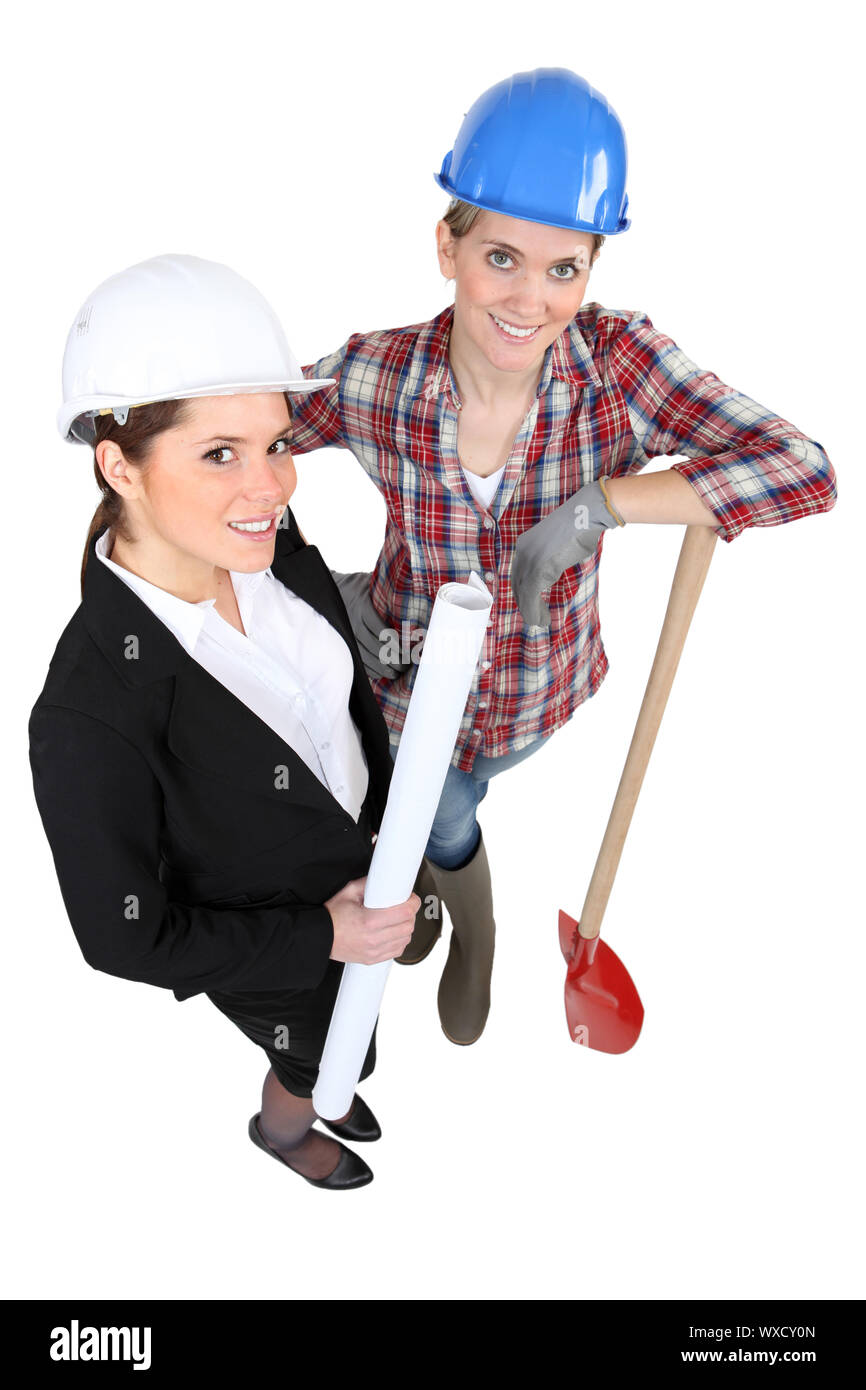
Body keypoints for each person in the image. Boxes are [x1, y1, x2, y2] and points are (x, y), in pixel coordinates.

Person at [288, 68, 838, 1046]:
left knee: (445, 799)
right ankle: (414, 880)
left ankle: (474, 929)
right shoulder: (379, 376)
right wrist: (139, 425)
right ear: (447, 247)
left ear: (589, 269)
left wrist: (601, 506)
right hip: (398, 674)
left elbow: (799, 470)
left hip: (528, 694)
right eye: (500, 256)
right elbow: (239, 431)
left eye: (562, 269)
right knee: (383, 783)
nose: (529, 300)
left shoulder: (618, 368)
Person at [28, 254, 420, 1191]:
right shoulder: (90, 711)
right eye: (219, 454)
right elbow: (122, 937)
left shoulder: (261, 541)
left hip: (365, 868)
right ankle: (286, 1125)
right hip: (285, 946)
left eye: (277, 444)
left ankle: (321, 1074)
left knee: (353, 1032)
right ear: (117, 464)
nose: (272, 487)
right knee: (330, 1052)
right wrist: (321, 939)